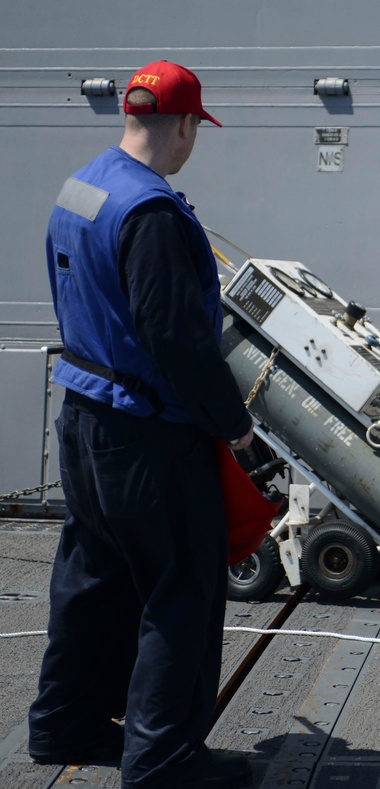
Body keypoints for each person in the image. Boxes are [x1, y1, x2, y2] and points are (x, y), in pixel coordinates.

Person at [28, 60, 256, 786]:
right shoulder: (152, 213)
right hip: (146, 435)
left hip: (84, 419)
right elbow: (177, 339)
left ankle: (65, 723)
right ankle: (163, 762)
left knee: (93, 578)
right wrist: (235, 424)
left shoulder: (82, 186)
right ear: (186, 125)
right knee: (181, 588)